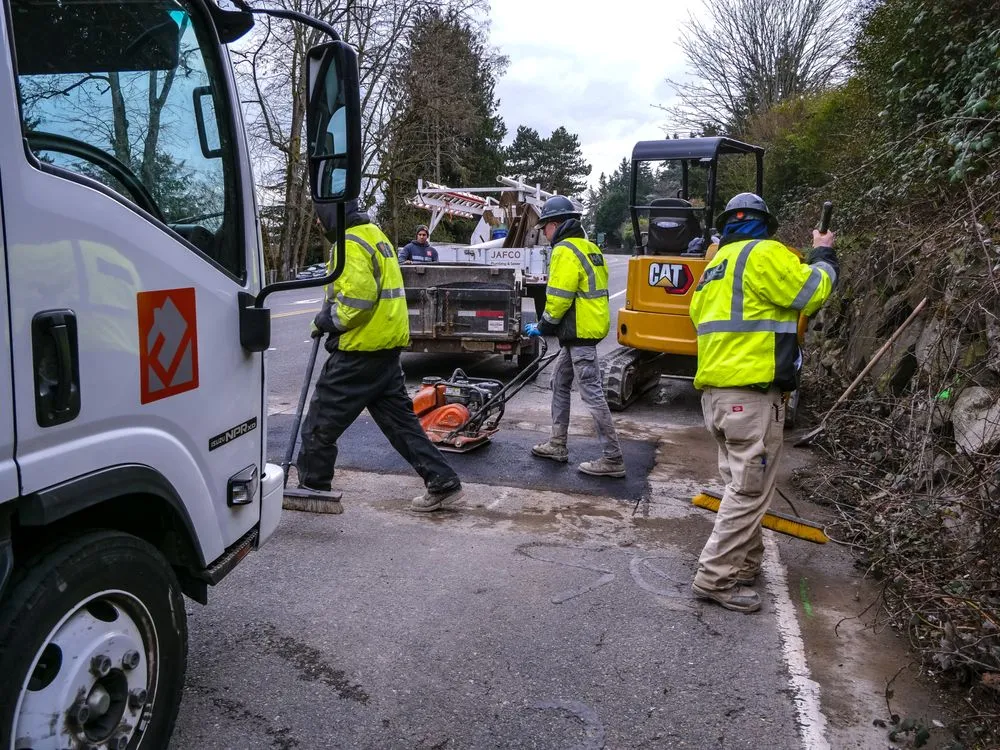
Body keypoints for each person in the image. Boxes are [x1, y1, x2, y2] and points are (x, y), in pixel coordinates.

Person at [688, 192, 838, 613]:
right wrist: (823, 254)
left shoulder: (715, 266)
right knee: (749, 491)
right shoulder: (766, 254)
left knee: (741, 485)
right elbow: (812, 292)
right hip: (751, 398)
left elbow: (698, 318)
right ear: (764, 223)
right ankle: (715, 578)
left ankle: (746, 563)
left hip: (716, 396)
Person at [292, 200, 463, 513]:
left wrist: (326, 321)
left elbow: (358, 301)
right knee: (401, 425)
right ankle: (443, 480)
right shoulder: (375, 235)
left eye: (320, 217)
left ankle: (312, 488)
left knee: (319, 424)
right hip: (385, 350)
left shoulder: (351, 243)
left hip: (360, 352)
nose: (318, 224)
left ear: (331, 214)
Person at [524, 195, 625, 478]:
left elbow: (558, 296)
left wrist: (543, 326)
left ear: (556, 224)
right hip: (582, 330)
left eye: (545, 227)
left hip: (578, 332)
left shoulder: (564, 250)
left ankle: (612, 458)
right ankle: (557, 443)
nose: (543, 233)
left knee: (592, 394)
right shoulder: (590, 248)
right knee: (558, 382)